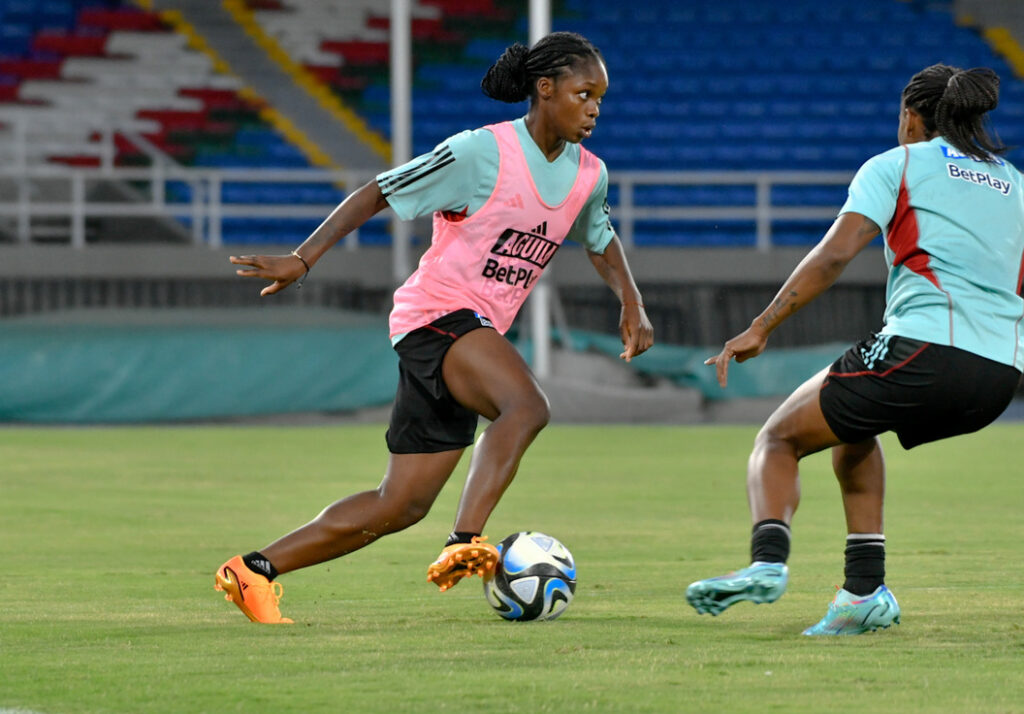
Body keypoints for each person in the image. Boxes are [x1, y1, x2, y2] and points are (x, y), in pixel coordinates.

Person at [213, 31, 654, 624]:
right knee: (525, 407)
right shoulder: (481, 153)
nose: (595, 107)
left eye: (601, 97)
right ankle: (464, 541)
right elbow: (378, 191)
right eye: (584, 93)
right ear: (544, 89)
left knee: (400, 503)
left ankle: (252, 571)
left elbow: (600, 239)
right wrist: (304, 257)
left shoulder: (588, 175)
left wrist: (632, 301)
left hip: (472, 330)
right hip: (436, 315)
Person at [685, 64, 1024, 635]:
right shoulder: (1015, 183)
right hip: (1000, 377)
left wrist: (762, 325)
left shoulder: (898, 165)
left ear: (911, 117)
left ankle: (767, 562)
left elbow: (834, 255)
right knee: (852, 424)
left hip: (925, 351)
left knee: (779, 437)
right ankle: (863, 592)